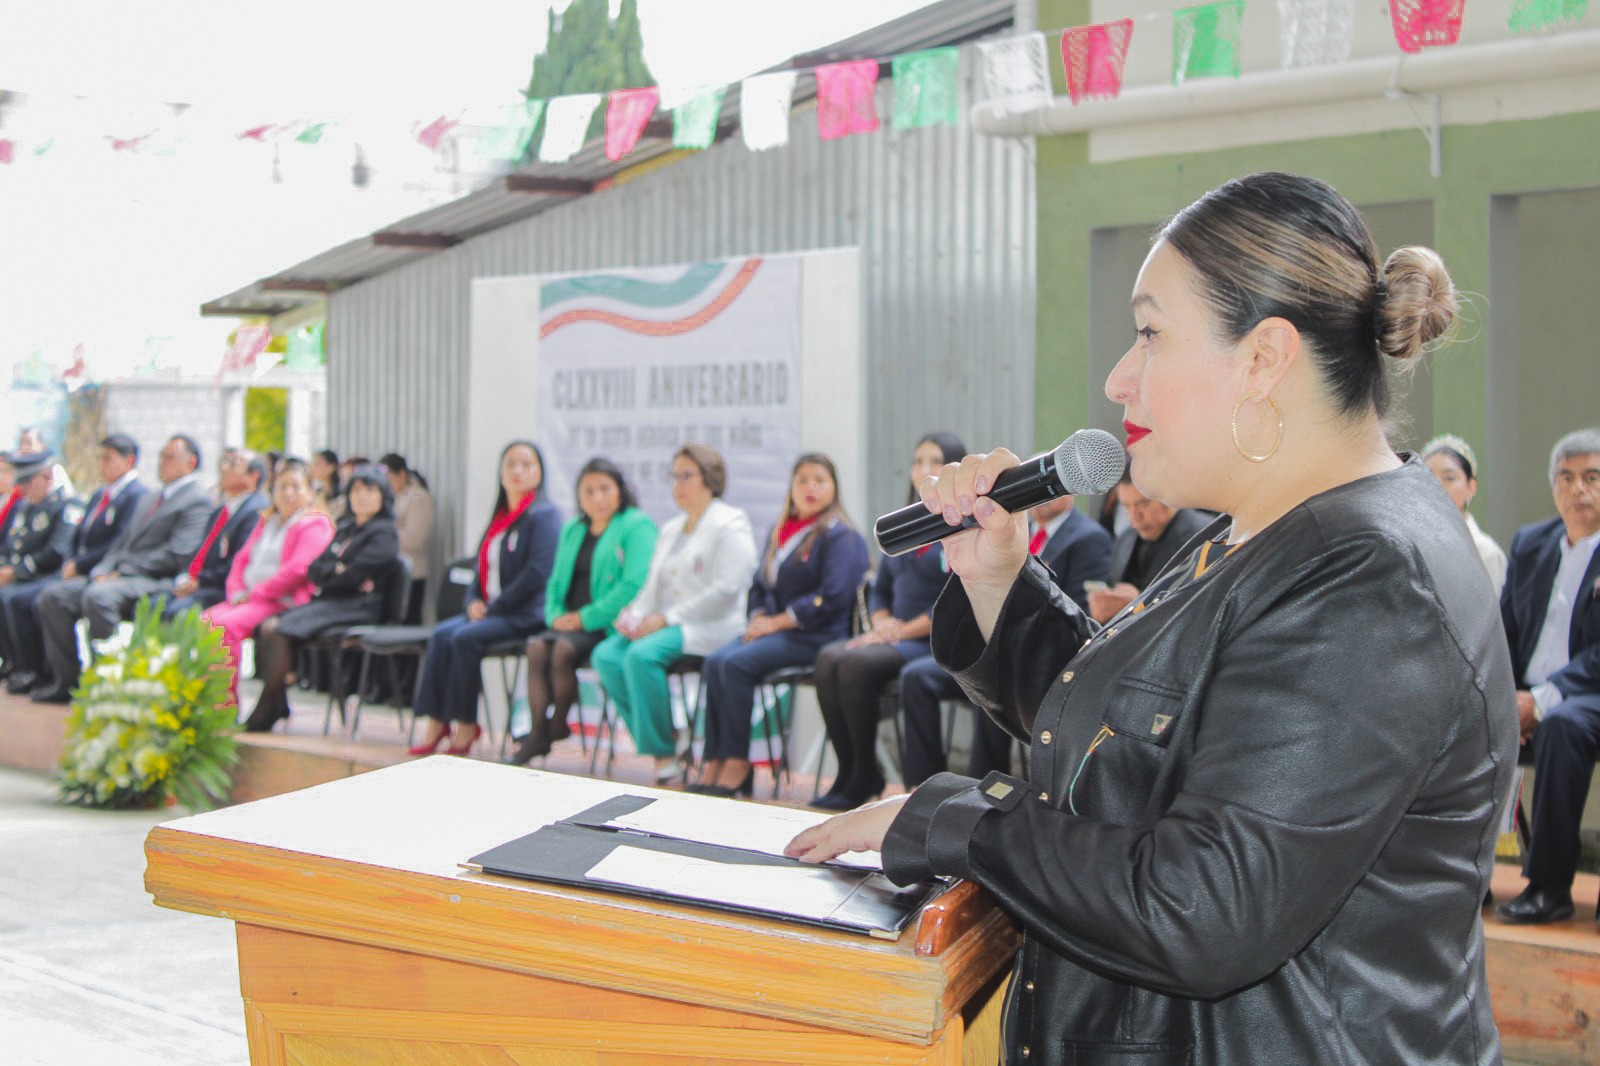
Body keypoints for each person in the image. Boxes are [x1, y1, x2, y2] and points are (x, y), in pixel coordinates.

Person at [787, 172, 1516, 1064]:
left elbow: (1201, 907)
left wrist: (953, 818)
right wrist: (998, 577)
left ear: (1263, 359)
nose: (1119, 377)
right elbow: (1132, 739)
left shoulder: (1371, 580)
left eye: (1149, 334)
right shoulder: (1258, 528)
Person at [896, 477, 1115, 794]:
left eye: (1048, 486)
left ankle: (981, 787)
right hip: (990, 631)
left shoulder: (1086, 537)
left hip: (1044, 646)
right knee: (916, 677)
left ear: (1069, 494)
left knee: (1000, 680)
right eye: (1034, 487)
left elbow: (1080, 607)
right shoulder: (1013, 527)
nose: (1039, 498)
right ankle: (922, 786)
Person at [694, 453, 869, 797]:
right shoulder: (779, 531)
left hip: (816, 635)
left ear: (834, 487)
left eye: (820, 479)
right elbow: (759, 584)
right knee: (715, 662)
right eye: (802, 480)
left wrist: (776, 622)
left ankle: (737, 762)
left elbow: (831, 596)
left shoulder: (841, 535)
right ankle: (715, 758)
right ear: (791, 487)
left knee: (737, 664)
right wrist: (758, 616)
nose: (810, 487)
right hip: (775, 631)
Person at [811, 432, 967, 810]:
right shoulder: (906, 522)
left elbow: (959, 597)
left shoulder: (963, 521)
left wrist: (897, 631)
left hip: (933, 639)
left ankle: (868, 776)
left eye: (934, 461)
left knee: (855, 664)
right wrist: (881, 621)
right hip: (895, 636)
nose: (924, 469)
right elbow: (879, 587)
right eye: (918, 461)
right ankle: (855, 770)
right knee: (829, 658)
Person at [591, 444, 757, 783]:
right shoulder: (671, 529)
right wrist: (634, 616)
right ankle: (667, 736)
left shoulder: (730, 522)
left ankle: (662, 753)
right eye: (674, 477)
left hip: (709, 625)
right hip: (667, 623)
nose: (677, 485)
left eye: (686, 476)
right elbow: (653, 588)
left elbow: (727, 590)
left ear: (709, 479)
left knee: (641, 656)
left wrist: (665, 619)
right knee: (606, 655)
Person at [1493, 428, 1600, 926]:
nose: (1578, 488)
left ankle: (1549, 887)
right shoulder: (1530, 543)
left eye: (1592, 477)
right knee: (1454, 719)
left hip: (1587, 696)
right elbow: (1502, 633)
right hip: (1525, 694)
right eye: (1567, 477)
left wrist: (1538, 702)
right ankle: (1461, 884)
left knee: (1564, 725)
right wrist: (1500, 696)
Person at [408, 441, 561, 756]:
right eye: (511, 465)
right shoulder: (501, 517)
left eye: (526, 464)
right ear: (501, 473)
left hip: (522, 614)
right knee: (440, 634)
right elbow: (480, 568)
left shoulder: (544, 515)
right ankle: (436, 720)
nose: (518, 471)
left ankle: (466, 723)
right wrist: (472, 601)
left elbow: (536, 573)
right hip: (492, 612)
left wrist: (493, 607)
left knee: (464, 638)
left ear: (540, 472)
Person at [34, 435, 212, 703]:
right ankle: (69, 682)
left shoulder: (197, 501)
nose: (161, 463)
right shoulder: (152, 497)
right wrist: (101, 570)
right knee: (54, 596)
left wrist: (123, 572)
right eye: (161, 456)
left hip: (156, 579)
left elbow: (178, 553)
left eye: (169, 457)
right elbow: (120, 543)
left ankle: (109, 685)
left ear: (191, 462)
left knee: (98, 597)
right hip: (120, 575)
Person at [507, 458, 657, 765]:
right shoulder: (574, 529)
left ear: (620, 489)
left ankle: (557, 722)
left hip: (606, 625)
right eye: (589, 491)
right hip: (567, 622)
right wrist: (554, 616)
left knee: (561, 651)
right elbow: (555, 581)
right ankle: (541, 731)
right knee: (536, 647)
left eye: (605, 489)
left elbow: (632, 586)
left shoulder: (636, 525)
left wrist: (584, 618)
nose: (597, 498)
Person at [242, 465, 400, 732]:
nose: (362, 496)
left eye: (370, 491)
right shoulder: (346, 527)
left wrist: (339, 571)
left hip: (359, 607)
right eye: (357, 490)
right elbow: (316, 569)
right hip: (330, 602)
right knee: (268, 626)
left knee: (279, 630)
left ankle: (266, 707)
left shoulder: (384, 533)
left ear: (382, 496)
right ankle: (277, 702)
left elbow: (353, 575)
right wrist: (338, 570)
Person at [2, 434, 145, 695]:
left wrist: (81, 565)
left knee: (37, 597)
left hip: (103, 572)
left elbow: (119, 541)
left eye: (108, 459)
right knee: (38, 597)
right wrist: (72, 561)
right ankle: (60, 677)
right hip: (80, 571)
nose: (101, 464)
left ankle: (91, 682)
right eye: (101, 458)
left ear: (129, 461)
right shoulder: (101, 494)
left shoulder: (138, 496)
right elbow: (78, 538)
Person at [201, 459, 335, 706]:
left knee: (225, 626)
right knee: (204, 620)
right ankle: (203, 698)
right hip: (249, 599)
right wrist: (237, 590)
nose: (288, 493)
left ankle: (223, 705)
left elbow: (299, 570)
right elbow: (241, 560)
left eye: (295, 487)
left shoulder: (314, 523)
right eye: (282, 487)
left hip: (283, 600)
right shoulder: (267, 521)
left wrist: (256, 593)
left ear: (310, 491)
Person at [1086, 472, 1211, 623]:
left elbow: (1203, 609)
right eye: (1126, 506)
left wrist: (1141, 604)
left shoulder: (1205, 536)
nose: (1134, 516)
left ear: (1167, 496)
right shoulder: (1126, 538)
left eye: (1142, 504)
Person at [161, 448, 270, 618]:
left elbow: (237, 563)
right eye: (225, 463)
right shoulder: (221, 511)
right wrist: (187, 577)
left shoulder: (256, 512)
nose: (224, 469)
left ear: (253, 476)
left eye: (233, 465)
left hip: (223, 588)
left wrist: (200, 582)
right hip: (201, 583)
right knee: (154, 604)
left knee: (177, 612)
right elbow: (201, 551)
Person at [0, 452, 81, 680]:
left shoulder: (66, 505)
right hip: (27, 575)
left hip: (49, 575)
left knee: (13, 598)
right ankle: (13, 663)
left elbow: (56, 550)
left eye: (27, 482)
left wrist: (15, 571)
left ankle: (34, 670)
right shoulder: (25, 507)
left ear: (46, 477)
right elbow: (12, 546)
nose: (23, 489)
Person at [1423, 433, 1508, 594]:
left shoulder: (1485, 552)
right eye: (1428, 476)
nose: (1437, 486)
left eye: (1449, 478)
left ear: (1471, 487)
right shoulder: (1411, 543)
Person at [379, 453, 434, 625]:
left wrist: (381, 537)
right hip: (390, 572)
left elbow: (416, 538)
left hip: (413, 574)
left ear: (401, 474)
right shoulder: (390, 498)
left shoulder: (419, 498)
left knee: (409, 621)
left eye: (388, 478)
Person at [310, 449, 342, 517]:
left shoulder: (341, 497)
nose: (313, 467)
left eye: (317, 463)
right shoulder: (315, 490)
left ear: (331, 467)